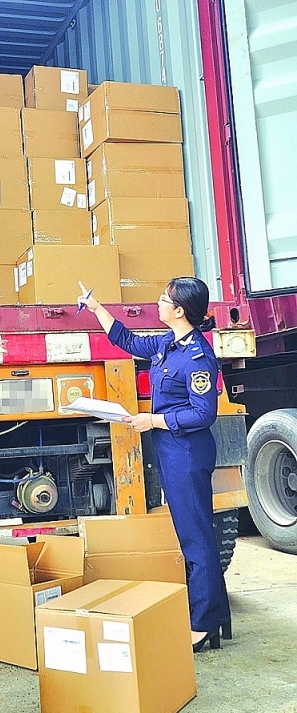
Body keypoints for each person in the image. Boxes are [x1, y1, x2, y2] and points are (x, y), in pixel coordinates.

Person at [77, 277, 231, 652]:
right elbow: (128, 341)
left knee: (196, 537)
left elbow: (203, 413)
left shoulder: (198, 356)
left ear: (179, 311)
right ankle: (216, 617)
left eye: (164, 300)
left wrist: (154, 420)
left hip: (187, 453)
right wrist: (96, 308)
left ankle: (205, 623)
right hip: (172, 450)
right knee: (192, 533)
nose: (157, 303)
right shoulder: (167, 344)